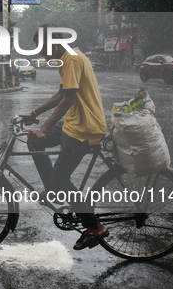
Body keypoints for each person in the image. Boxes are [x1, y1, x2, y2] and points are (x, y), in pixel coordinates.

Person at [20, 26, 108, 251]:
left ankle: (94, 226)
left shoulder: (71, 59)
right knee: (34, 140)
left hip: (84, 129)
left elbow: (68, 99)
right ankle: (53, 187)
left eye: (44, 50)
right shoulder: (70, 57)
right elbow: (60, 94)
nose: (43, 56)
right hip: (74, 123)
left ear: (55, 45)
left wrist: (45, 127)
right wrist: (34, 114)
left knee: (60, 179)